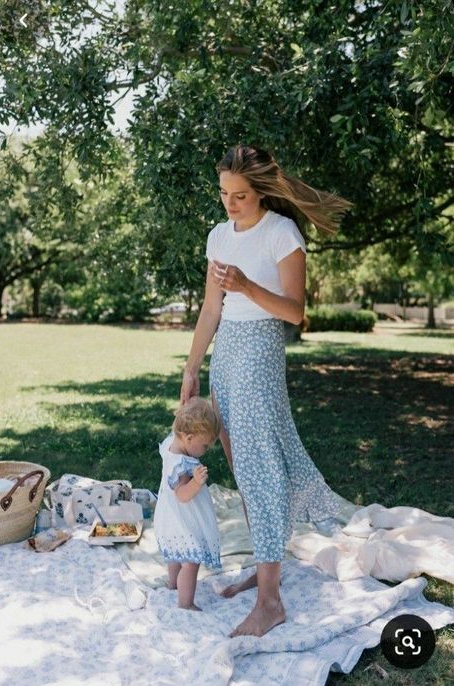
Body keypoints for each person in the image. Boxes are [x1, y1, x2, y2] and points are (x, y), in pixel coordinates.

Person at [179, 144, 353, 637]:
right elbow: (211, 310)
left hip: (260, 351)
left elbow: (296, 313)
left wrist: (247, 285)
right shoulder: (218, 235)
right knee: (242, 466)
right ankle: (265, 564)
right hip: (226, 354)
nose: (229, 204)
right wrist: (192, 369)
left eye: (239, 196)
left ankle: (271, 601)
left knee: (262, 468)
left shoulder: (282, 233)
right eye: (223, 194)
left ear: (261, 192)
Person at [153, 396, 222, 611]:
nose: (207, 449)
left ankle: (173, 584)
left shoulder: (170, 445)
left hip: (169, 516)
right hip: (182, 518)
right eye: (205, 445)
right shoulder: (181, 464)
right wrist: (197, 482)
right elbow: (182, 495)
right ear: (189, 438)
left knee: (176, 554)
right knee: (190, 562)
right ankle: (186, 603)